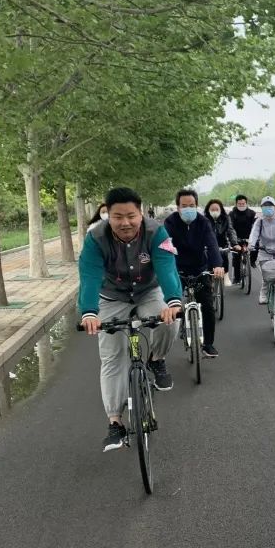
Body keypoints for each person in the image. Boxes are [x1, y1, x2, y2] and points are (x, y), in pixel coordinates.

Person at [79, 187, 183, 452]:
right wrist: (89, 312)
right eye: (117, 217)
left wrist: (173, 300)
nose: (125, 222)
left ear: (141, 213)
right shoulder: (95, 238)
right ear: (107, 215)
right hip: (111, 297)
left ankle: (156, 359)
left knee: (171, 320)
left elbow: (166, 267)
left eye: (131, 216)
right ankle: (115, 422)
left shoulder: (157, 232)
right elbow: (89, 275)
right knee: (112, 357)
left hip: (149, 291)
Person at [164, 189, 225, 358]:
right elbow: (164, 245)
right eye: (184, 206)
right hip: (177, 269)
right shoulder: (170, 222)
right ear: (178, 207)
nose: (188, 209)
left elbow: (212, 244)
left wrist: (217, 265)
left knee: (207, 306)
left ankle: (208, 344)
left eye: (191, 205)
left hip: (199, 268)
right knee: (171, 305)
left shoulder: (203, 222)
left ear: (196, 206)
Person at [205, 198, 239, 284]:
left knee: (224, 258)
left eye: (217, 209)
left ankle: (226, 275)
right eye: (212, 209)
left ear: (220, 209)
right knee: (207, 263)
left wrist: (234, 244)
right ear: (208, 210)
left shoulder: (226, 218)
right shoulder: (204, 219)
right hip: (208, 245)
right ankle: (208, 280)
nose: (214, 211)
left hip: (222, 244)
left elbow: (231, 231)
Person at [229, 194, 257, 286]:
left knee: (256, 246)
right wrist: (234, 241)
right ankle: (237, 278)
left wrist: (253, 237)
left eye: (243, 203)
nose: (241, 205)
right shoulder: (232, 214)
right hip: (236, 239)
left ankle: (252, 261)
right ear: (236, 204)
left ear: (246, 203)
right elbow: (230, 227)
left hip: (249, 237)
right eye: (239, 204)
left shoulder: (252, 213)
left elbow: (256, 226)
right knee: (236, 258)